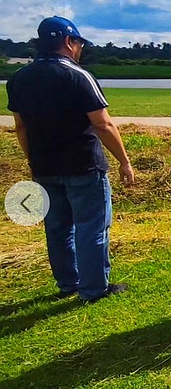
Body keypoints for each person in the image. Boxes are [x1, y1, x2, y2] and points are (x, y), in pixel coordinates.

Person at [5, 16, 135, 303]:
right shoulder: (78, 76)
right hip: (83, 165)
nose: (80, 49)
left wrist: (31, 159)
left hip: (44, 166)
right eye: (79, 43)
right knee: (92, 227)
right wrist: (124, 161)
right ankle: (94, 288)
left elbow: (21, 127)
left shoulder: (18, 79)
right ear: (68, 41)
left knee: (57, 227)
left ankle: (68, 283)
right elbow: (103, 124)